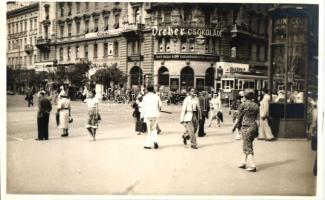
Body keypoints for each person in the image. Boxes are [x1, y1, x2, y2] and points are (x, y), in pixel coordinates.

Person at [232, 89, 259, 172]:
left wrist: (233, 127)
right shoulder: (256, 105)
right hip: (254, 126)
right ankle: (243, 162)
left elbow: (238, 117)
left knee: (247, 146)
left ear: (245, 96)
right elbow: (257, 119)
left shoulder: (243, 105)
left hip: (246, 126)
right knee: (246, 143)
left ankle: (252, 165)